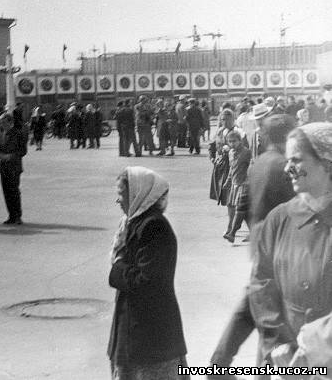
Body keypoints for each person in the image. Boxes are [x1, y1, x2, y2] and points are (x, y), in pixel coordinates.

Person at [206, 115, 295, 380]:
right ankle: (224, 366)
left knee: (257, 306)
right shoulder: (283, 166)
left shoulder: (261, 163)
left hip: (261, 242)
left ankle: (225, 365)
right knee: (266, 312)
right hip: (279, 247)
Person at [248, 122, 332, 377]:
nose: (288, 168)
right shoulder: (279, 218)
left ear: (327, 163)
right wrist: (277, 341)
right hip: (287, 360)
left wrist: (316, 343)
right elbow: (261, 282)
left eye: (296, 159)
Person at [109, 166, 189, 380]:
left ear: (137, 194)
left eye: (121, 194)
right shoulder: (134, 223)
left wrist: (118, 263)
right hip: (135, 335)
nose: (118, 201)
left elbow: (145, 281)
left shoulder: (154, 228)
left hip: (151, 341)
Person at [209, 109, 247, 206]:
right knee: (223, 191)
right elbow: (212, 145)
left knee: (233, 190)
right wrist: (212, 157)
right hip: (221, 166)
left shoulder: (238, 131)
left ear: (233, 119)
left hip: (234, 165)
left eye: (227, 119)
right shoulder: (220, 131)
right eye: (223, 119)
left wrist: (231, 149)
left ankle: (233, 211)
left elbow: (245, 148)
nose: (225, 122)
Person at [0, 113, 27, 224]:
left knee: (14, 191)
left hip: (14, 167)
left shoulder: (18, 134)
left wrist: (10, 156)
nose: (2, 124)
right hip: (3, 167)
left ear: (10, 122)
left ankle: (18, 216)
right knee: (6, 192)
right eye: (0, 122)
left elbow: (23, 150)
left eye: (4, 122)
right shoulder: (0, 135)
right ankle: (11, 215)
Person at [222, 130, 252, 243]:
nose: (232, 143)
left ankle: (232, 233)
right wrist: (228, 181)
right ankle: (253, 233)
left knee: (240, 209)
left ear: (240, 141)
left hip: (244, 185)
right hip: (234, 185)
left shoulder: (246, 153)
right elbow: (231, 169)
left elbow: (251, 166)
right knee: (238, 209)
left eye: (234, 141)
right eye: (229, 141)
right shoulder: (230, 153)